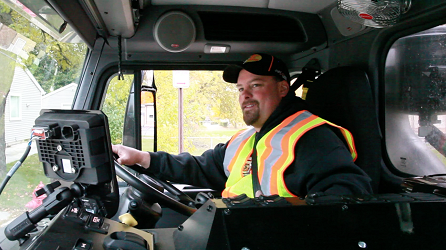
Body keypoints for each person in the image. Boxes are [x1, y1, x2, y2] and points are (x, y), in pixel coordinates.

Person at [112, 53, 372, 198]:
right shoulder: (244, 138)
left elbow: (347, 194)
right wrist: (143, 158)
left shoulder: (311, 136)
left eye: (256, 85)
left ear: (283, 89)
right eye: (240, 89)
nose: (244, 95)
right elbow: (202, 167)